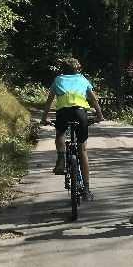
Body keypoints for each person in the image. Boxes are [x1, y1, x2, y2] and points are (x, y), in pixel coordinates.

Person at [41, 57, 104, 201]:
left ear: (62, 70)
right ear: (78, 69)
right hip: (80, 113)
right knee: (82, 150)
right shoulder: (82, 79)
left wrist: (44, 118)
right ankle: (86, 190)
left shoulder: (58, 80)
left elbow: (49, 101)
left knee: (60, 134)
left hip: (63, 112)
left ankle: (61, 159)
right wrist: (100, 115)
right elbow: (93, 100)